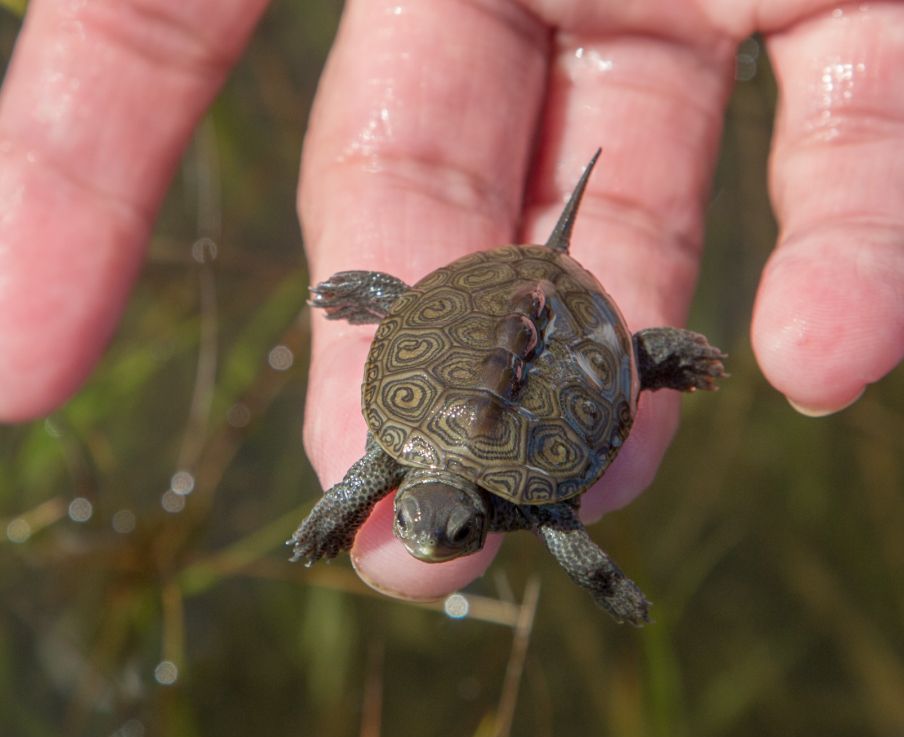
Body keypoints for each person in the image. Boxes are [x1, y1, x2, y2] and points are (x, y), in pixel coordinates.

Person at [1, 1, 901, 603]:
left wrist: (610, 590)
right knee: (571, 387)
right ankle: (634, 354)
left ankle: (650, 355)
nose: (436, 539)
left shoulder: (489, 493)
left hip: (531, 327)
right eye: (446, 529)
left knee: (613, 371)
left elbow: (554, 543)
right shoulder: (471, 487)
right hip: (531, 341)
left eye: (448, 531)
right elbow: (392, 496)